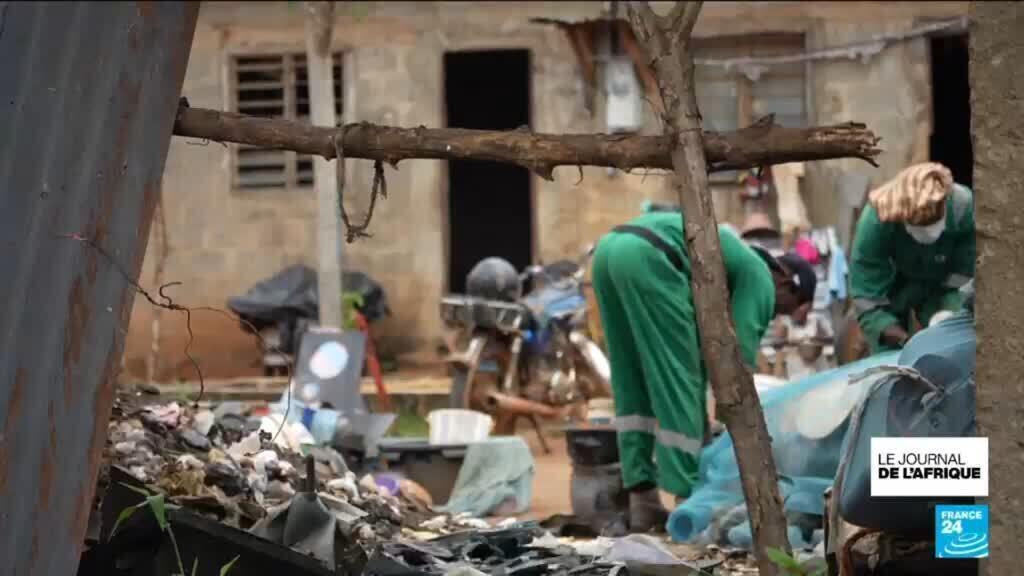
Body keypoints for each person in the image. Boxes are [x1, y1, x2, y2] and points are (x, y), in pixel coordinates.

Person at [591, 207, 817, 532]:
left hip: (609, 250)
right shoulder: (760, 275)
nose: (775, 313)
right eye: (785, 307)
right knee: (678, 382)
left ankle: (643, 500)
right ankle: (689, 500)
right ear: (785, 281)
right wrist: (734, 420)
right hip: (649, 258)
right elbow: (736, 360)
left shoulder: (727, 262)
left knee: (632, 380)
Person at [849, 162, 975, 354]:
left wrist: (949, 313)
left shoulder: (962, 208)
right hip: (894, 286)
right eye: (918, 226)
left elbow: (965, 273)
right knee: (891, 361)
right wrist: (903, 339)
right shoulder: (876, 220)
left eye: (932, 223)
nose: (927, 232)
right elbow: (866, 295)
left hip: (941, 282)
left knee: (953, 344)